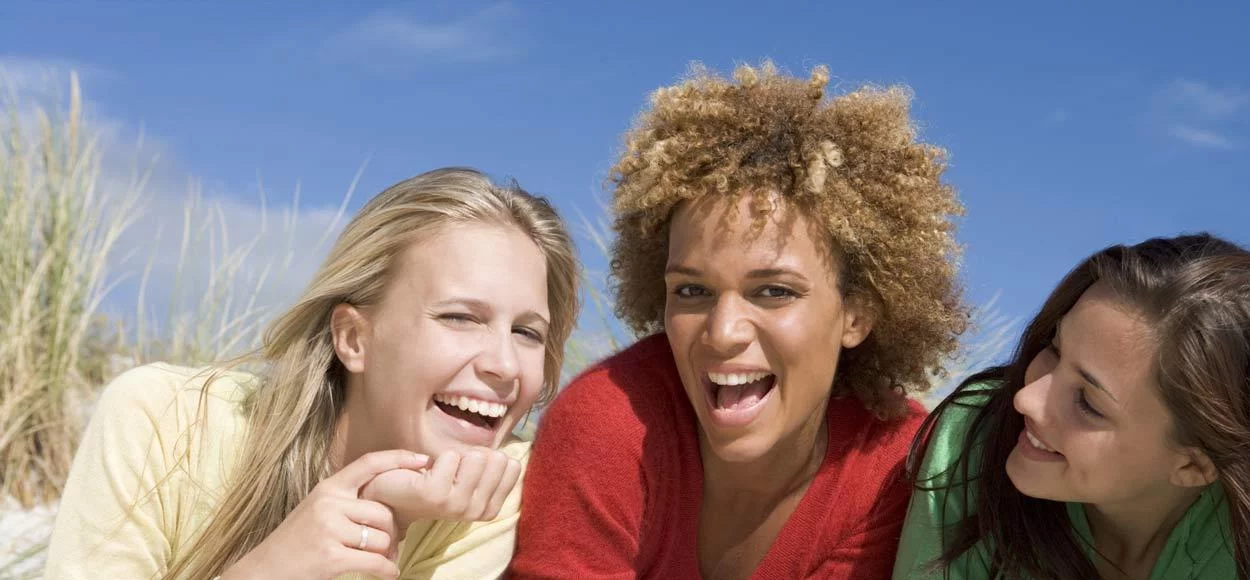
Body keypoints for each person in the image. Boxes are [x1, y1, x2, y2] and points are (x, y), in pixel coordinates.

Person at [510, 62, 967, 579]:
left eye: (773, 292)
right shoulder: (608, 422)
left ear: (856, 317)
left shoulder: (890, 470)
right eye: (692, 291)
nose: (723, 332)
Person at [44, 167, 580, 580]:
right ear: (353, 338)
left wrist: (393, 518)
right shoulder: (163, 422)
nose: (504, 364)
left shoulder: (510, 490)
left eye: (527, 332)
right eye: (459, 318)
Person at [894, 233, 1249, 579]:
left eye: (1088, 403)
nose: (1025, 399)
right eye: (1054, 349)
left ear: (1193, 464)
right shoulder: (977, 433)